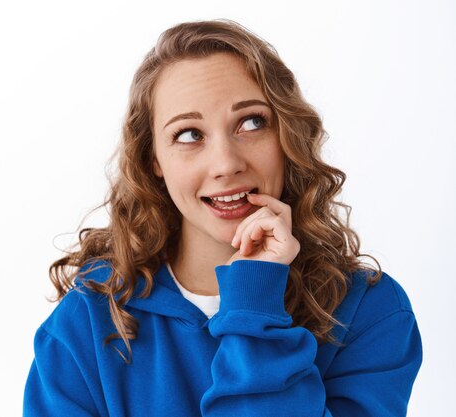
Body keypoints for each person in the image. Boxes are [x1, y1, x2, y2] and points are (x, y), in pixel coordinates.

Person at [22, 19, 422, 416]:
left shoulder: (370, 312)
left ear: (287, 136)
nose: (226, 164)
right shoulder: (86, 323)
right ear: (153, 160)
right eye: (189, 135)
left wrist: (254, 300)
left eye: (251, 123)